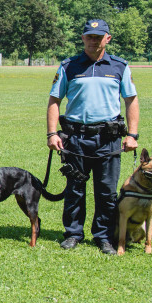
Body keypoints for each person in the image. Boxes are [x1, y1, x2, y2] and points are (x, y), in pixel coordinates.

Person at [47, 19, 138, 255]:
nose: (93, 40)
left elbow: (131, 100)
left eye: (98, 37)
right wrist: (52, 132)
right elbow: (54, 101)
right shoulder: (69, 66)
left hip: (108, 139)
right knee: (75, 188)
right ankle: (73, 234)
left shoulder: (119, 66)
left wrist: (133, 134)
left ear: (107, 38)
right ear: (83, 38)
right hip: (75, 138)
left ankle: (104, 236)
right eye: (89, 36)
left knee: (106, 190)